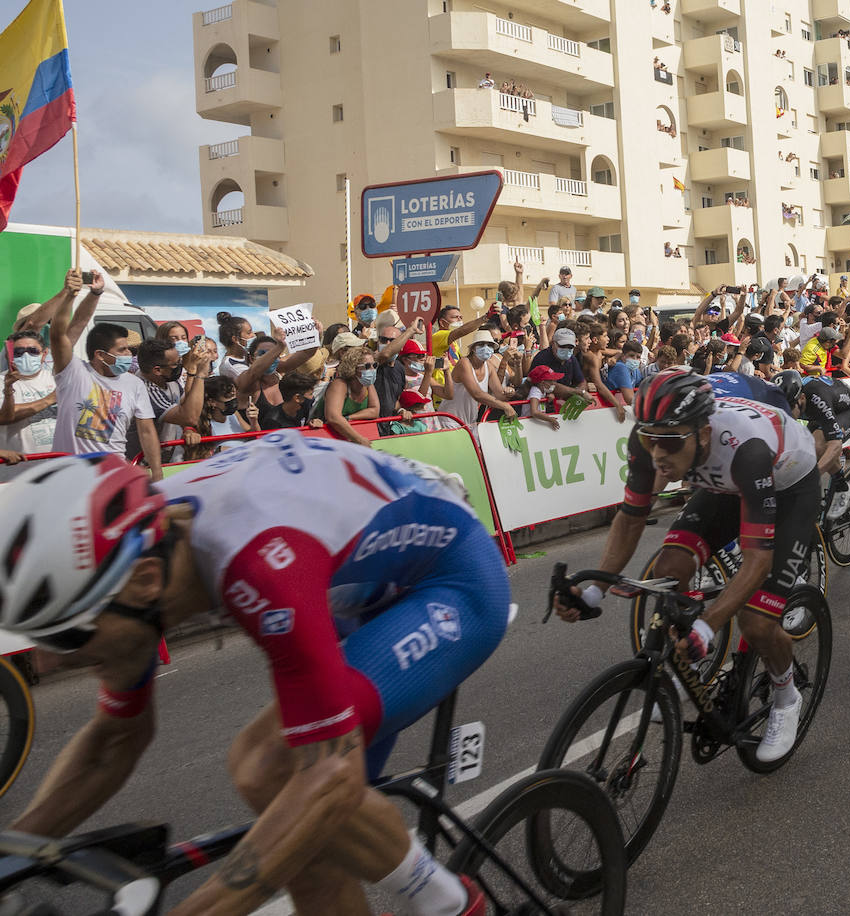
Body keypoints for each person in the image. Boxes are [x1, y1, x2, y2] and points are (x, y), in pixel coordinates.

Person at [0, 433, 507, 915]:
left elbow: (330, 772)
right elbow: (112, 744)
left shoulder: (259, 559)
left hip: (451, 580)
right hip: (351, 581)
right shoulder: (140, 549)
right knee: (300, 846)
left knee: (272, 765)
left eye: (65, 635)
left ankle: (448, 902)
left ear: (145, 581)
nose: (45, 661)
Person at [553, 371, 819, 763]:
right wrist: (593, 590)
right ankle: (684, 668)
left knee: (756, 622)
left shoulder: (746, 450)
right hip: (724, 484)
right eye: (650, 439)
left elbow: (758, 560)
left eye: (671, 442)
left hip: (788, 488)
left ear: (703, 434)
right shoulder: (652, 441)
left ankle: (786, 695)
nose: (658, 454)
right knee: (669, 567)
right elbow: (630, 517)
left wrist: (708, 625)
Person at [47, 271, 163, 480]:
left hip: (112, 477)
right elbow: (63, 332)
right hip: (69, 477)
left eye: (129, 349)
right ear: (100, 355)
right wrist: (72, 295)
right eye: (122, 350)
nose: (129, 355)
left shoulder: (134, 383)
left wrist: (157, 471)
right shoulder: (73, 372)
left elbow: (146, 430)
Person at [774, 368, 850, 518]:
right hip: (818, 415)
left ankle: (841, 485)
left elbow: (835, 444)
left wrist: (812, 476)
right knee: (801, 452)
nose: (786, 415)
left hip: (846, 412)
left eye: (789, 409)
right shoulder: (791, 401)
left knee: (818, 446)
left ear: (801, 398)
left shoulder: (817, 397)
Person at [435, 330, 516, 426]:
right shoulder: (464, 363)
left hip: (469, 422)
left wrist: (509, 392)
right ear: (473, 348)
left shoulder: (489, 366)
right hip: (449, 421)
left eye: (489, 345)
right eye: (481, 344)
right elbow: (476, 394)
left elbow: (499, 395)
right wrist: (505, 406)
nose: (486, 348)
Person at [0, 329, 57, 454]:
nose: (26, 356)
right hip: (22, 462)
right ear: (9, 355)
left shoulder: (56, 379)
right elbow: (3, 417)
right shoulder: (2, 381)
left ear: (44, 354)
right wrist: (49, 399)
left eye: (33, 351)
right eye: (19, 352)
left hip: (58, 460)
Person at [316, 345, 380, 447]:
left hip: (349, 437)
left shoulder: (368, 384)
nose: (372, 369)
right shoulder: (340, 384)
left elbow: (374, 410)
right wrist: (359, 440)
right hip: (324, 437)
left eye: (374, 365)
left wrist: (349, 418)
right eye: (367, 366)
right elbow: (333, 417)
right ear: (353, 368)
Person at [259, 371, 324, 430]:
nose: (312, 397)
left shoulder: (303, 407)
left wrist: (313, 423)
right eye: (310, 394)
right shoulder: (273, 421)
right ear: (297, 398)